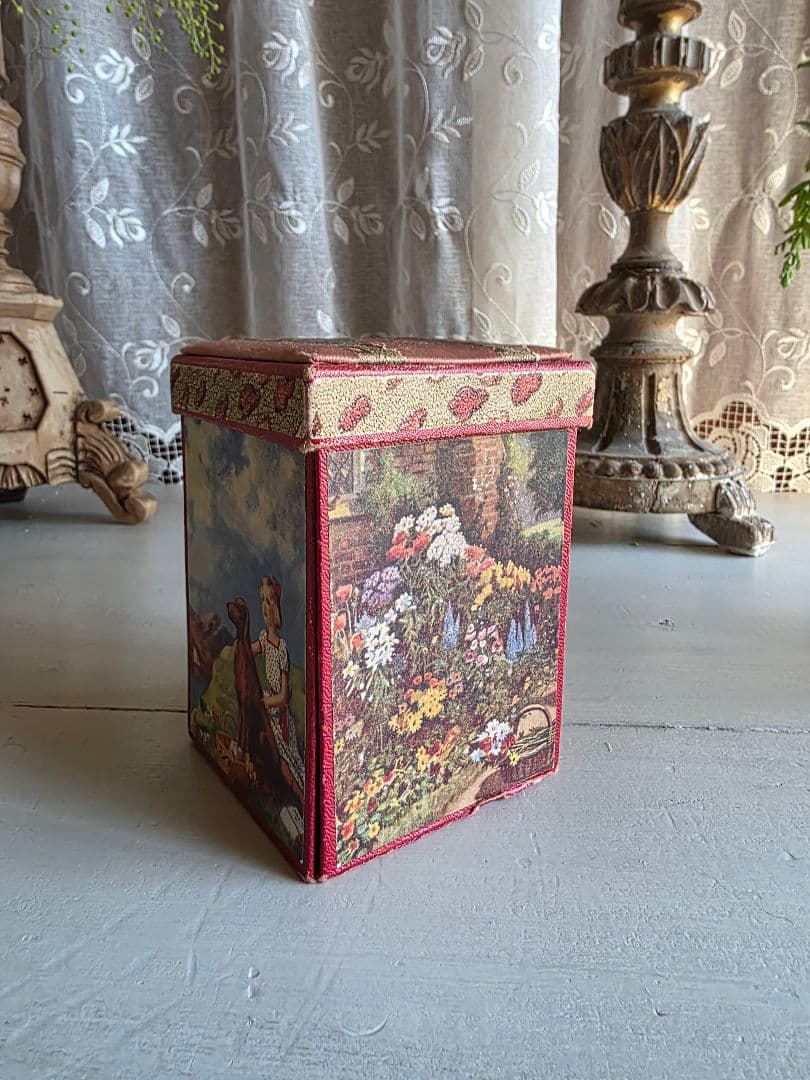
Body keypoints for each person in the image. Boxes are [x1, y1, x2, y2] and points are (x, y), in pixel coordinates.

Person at [252, 576, 305, 799]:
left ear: (277, 607)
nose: (265, 608)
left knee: (288, 763)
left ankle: (301, 798)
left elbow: (283, 696)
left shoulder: (281, 647)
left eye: (269, 602)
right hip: (267, 703)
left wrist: (265, 702)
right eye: (263, 601)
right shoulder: (264, 639)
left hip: (279, 714)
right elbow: (247, 652)